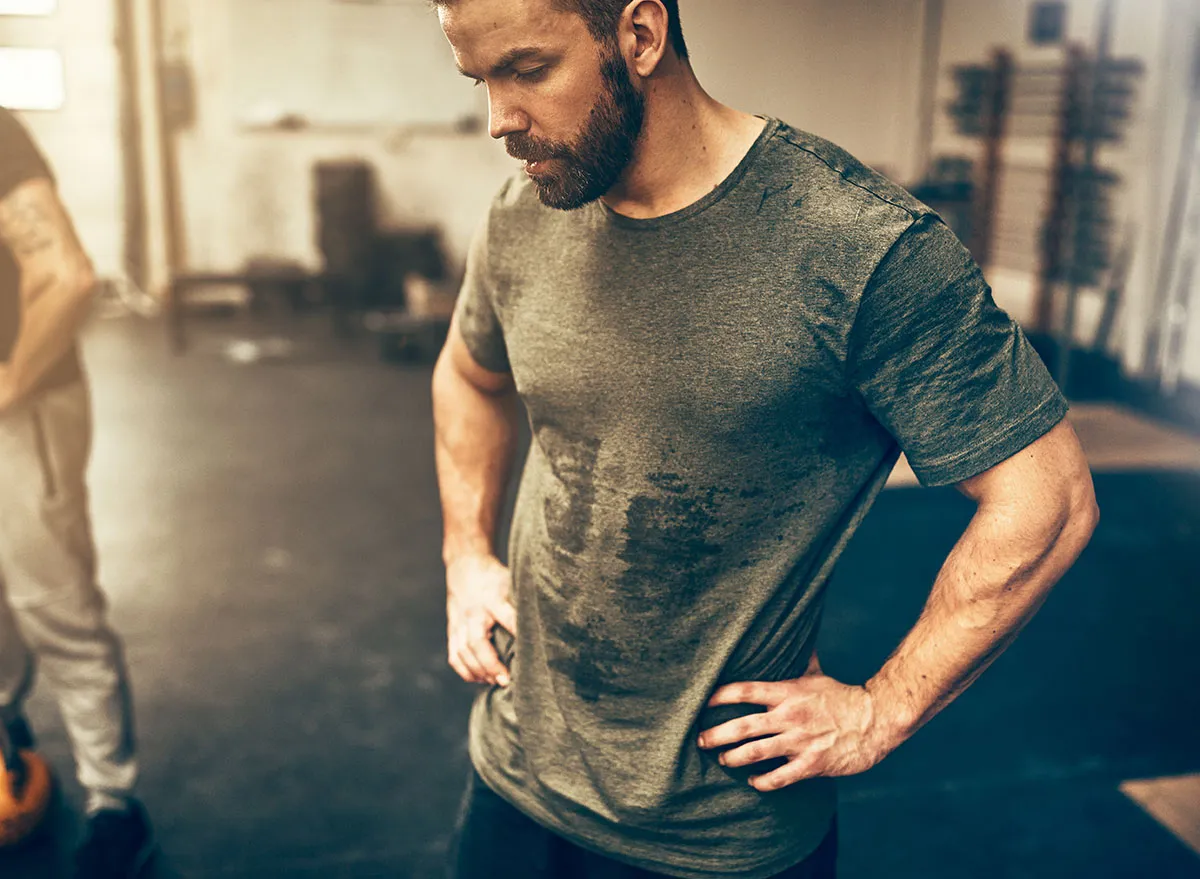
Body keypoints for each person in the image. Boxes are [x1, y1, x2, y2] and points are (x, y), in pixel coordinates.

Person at [430, 1, 1099, 877]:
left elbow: (1046, 499)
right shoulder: (525, 211)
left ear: (638, 35)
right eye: (481, 80)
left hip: (717, 833)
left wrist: (878, 711)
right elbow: (468, 374)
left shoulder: (859, 246)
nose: (498, 122)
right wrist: (465, 555)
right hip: (515, 778)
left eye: (526, 70)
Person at [0, 107, 154, 878]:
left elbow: (66, 276)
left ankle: (113, 801)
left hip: (21, 410)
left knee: (53, 603)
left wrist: (9, 384)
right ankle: (6, 733)